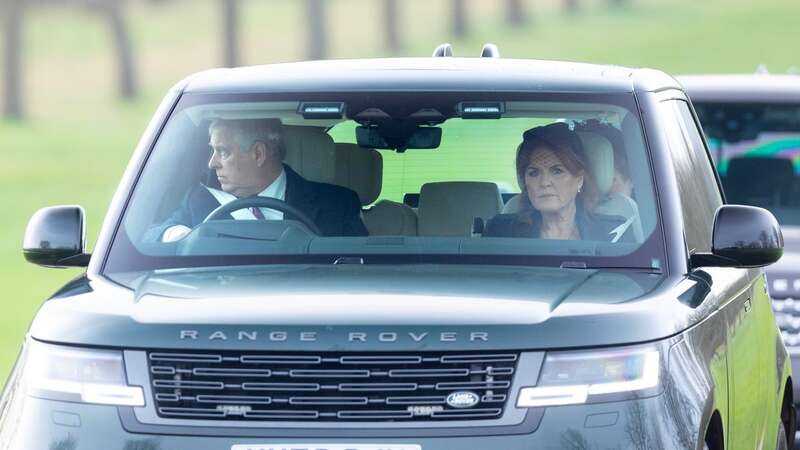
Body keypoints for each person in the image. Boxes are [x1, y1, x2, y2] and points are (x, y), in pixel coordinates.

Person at [154, 118, 367, 242]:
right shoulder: (199, 201)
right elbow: (150, 238)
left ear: (258, 154)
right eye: (213, 151)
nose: (212, 163)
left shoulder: (337, 203)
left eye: (223, 152)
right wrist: (182, 237)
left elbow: (360, 272)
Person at [484, 122, 629, 242]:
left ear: (579, 179)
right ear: (525, 182)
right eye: (534, 173)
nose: (545, 182)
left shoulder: (615, 233)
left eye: (557, 171)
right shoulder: (500, 232)